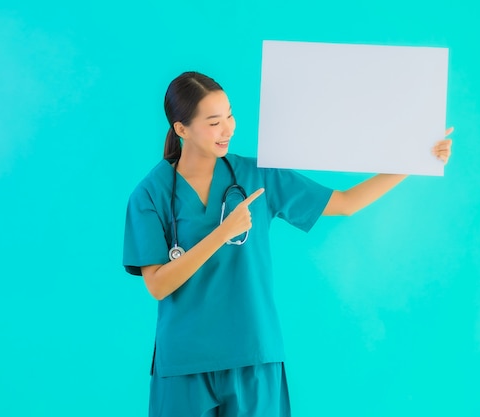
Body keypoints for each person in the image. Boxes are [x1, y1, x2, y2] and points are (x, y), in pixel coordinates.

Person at [122, 71, 452, 417]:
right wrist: (221, 233)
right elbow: (158, 284)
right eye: (214, 122)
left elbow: (345, 202)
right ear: (181, 129)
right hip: (183, 363)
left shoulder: (257, 176)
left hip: (252, 354)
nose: (229, 129)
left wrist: (416, 161)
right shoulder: (150, 194)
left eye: (230, 116)